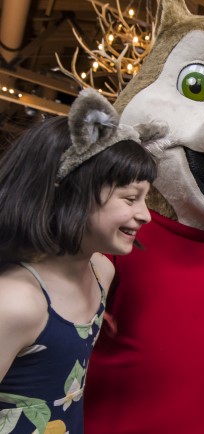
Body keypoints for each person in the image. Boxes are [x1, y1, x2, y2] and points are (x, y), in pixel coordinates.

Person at [0, 88, 158, 434]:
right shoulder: (15, 301)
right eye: (130, 198)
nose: (145, 215)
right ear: (71, 191)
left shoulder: (102, 271)